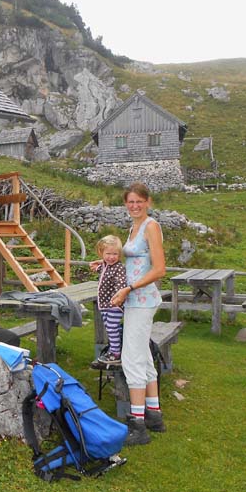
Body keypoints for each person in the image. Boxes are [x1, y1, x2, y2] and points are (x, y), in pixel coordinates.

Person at [108, 183, 167, 446]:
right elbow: (135, 261)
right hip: (135, 300)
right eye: (130, 202)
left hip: (141, 300)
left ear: (148, 202)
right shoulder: (134, 227)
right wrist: (107, 262)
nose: (134, 206)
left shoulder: (151, 226)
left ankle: (138, 424)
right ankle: (154, 414)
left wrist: (128, 288)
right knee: (143, 357)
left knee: (132, 358)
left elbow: (159, 269)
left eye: (139, 201)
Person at [90, 235, 128, 369]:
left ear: (119, 254)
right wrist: (97, 266)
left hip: (114, 305)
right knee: (110, 328)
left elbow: (120, 282)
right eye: (108, 254)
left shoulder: (119, 268)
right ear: (101, 253)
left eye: (115, 254)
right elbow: (104, 272)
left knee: (112, 328)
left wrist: (119, 296)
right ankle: (115, 348)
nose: (111, 257)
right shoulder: (106, 266)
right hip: (104, 305)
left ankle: (116, 353)